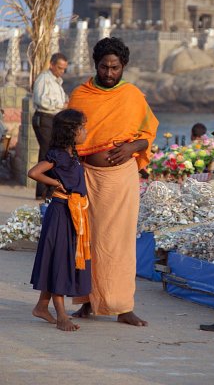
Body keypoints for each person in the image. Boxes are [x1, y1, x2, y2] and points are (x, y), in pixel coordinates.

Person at [68, 37, 158, 326]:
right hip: (86, 177)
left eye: (115, 68)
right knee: (85, 238)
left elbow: (148, 133)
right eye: (104, 67)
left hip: (120, 180)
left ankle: (122, 307)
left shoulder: (132, 96)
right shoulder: (80, 95)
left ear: (124, 67)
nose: (109, 73)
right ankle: (86, 301)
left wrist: (132, 148)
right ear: (95, 65)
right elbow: (67, 135)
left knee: (118, 242)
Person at [28, 109, 91, 331]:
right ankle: (61, 314)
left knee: (59, 257)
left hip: (72, 212)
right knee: (60, 261)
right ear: (70, 131)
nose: (85, 131)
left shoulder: (70, 154)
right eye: (82, 128)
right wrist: (54, 184)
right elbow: (34, 172)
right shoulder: (59, 155)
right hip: (61, 212)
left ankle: (42, 307)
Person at [32, 52, 69, 200]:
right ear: (52, 65)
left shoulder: (57, 81)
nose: (62, 71)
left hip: (54, 120)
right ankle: (42, 192)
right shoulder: (44, 79)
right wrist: (61, 105)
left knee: (51, 153)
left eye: (64, 69)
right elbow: (41, 100)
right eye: (59, 68)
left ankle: (47, 191)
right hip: (44, 118)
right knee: (47, 154)